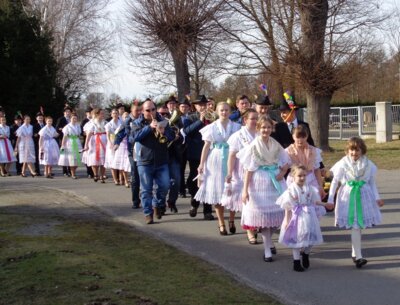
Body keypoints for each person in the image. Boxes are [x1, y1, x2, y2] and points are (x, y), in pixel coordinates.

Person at [238, 116, 289, 262]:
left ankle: (269, 240)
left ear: (271, 129)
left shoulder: (275, 144)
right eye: (263, 128)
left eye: (268, 127)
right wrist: (245, 190)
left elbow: (285, 161)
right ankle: (267, 249)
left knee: (281, 213)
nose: (265, 130)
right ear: (258, 129)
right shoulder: (254, 146)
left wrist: (282, 172)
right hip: (259, 183)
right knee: (265, 218)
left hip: (275, 181)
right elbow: (249, 169)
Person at [327, 137, 384, 268]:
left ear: (362, 151)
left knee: (358, 224)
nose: (354, 153)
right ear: (347, 151)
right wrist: (330, 199)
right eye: (352, 150)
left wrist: (377, 198)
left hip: (363, 195)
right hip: (348, 196)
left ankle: (355, 253)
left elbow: (371, 183)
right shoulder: (343, 163)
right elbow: (335, 181)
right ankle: (358, 257)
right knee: (355, 225)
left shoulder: (368, 164)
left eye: (357, 150)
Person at [194, 102, 241, 235]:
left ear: (230, 112)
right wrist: (201, 164)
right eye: (221, 110)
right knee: (218, 191)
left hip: (233, 159)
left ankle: (231, 220)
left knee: (233, 190)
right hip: (215, 160)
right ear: (216, 111)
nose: (224, 112)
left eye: (226, 110)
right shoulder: (212, 127)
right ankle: (221, 223)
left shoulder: (237, 127)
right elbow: (206, 146)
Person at [277, 165, 332, 272]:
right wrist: (287, 221)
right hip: (296, 217)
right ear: (293, 176)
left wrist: (324, 204)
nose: (302, 178)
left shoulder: (310, 188)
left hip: (309, 216)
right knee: (297, 239)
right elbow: (288, 207)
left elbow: (314, 201)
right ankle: (296, 262)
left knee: (311, 238)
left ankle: (306, 253)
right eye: (299, 176)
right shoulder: (290, 190)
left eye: (304, 176)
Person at [129, 99, 174, 224]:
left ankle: (158, 204)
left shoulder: (164, 121)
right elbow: (134, 138)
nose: (151, 112)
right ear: (143, 111)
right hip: (144, 161)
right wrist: (149, 128)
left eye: (153, 109)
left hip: (161, 160)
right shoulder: (137, 123)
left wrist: (164, 131)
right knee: (146, 189)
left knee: (165, 186)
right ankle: (148, 213)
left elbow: (171, 137)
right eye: (148, 110)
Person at [221, 109, 258, 239]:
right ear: (245, 120)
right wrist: (229, 173)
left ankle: (254, 225)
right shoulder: (238, 136)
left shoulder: (260, 134)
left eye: (256, 118)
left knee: (255, 201)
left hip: (258, 173)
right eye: (252, 118)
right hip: (242, 171)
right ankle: (250, 230)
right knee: (246, 201)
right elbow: (231, 156)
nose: (255, 121)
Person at [182, 95, 215, 220]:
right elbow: (186, 132)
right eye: (200, 105)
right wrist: (200, 121)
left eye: (204, 104)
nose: (203, 107)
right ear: (195, 106)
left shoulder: (212, 117)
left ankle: (207, 210)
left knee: (208, 181)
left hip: (210, 154)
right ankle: (195, 203)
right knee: (194, 181)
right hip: (195, 154)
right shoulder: (190, 118)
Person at [286, 125, 326, 217]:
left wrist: (320, 186)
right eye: (298, 137)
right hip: (294, 180)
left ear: (307, 136)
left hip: (310, 179)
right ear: (293, 137)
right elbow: (284, 168)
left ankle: (311, 226)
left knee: (312, 205)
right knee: (296, 206)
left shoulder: (313, 151)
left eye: (303, 137)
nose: (300, 140)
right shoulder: (288, 151)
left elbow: (316, 169)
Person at [114, 101, 142, 209]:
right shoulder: (127, 121)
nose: (139, 112)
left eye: (140, 110)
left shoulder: (143, 119)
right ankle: (136, 201)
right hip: (133, 151)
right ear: (131, 111)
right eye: (136, 111)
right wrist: (117, 143)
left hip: (145, 151)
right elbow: (120, 133)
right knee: (135, 175)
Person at [83, 108, 107, 183]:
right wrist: (86, 145)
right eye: (101, 113)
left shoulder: (105, 122)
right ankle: (95, 174)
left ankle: (102, 175)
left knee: (103, 159)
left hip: (104, 141)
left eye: (103, 114)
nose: (103, 115)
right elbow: (89, 134)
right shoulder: (92, 123)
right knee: (94, 158)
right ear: (97, 114)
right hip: (94, 141)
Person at [58, 112, 82, 179]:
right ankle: (73, 174)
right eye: (73, 118)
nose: (74, 119)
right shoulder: (67, 127)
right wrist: (63, 145)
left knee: (78, 158)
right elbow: (65, 137)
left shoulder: (78, 126)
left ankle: (73, 171)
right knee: (71, 159)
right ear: (70, 119)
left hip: (77, 142)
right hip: (70, 143)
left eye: (75, 118)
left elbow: (79, 134)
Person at [111, 112, 131, 188]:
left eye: (127, 117)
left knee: (128, 164)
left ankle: (129, 179)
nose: (126, 118)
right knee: (123, 165)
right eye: (125, 117)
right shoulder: (121, 126)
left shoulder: (131, 125)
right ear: (122, 118)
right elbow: (116, 135)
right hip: (122, 146)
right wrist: (116, 144)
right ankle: (125, 180)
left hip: (129, 146)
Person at [104, 108, 121, 185]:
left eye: (116, 113)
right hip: (111, 141)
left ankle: (121, 179)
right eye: (113, 113)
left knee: (119, 160)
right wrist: (110, 143)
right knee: (112, 160)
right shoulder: (108, 124)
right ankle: (115, 179)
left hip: (120, 142)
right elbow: (107, 135)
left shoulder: (121, 123)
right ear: (111, 115)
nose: (115, 115)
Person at [178, 98, 191, 198]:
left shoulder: (191, 117)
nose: (184, 108)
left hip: (191, 145)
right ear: (179, 107)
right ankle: (181, 189)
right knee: (181, 169)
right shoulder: (176, 118)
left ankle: (190, 185)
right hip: (180, 146)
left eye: (186, 107)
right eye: (182, 106)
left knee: (193, 169)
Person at [56, 106, 72, 176]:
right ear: (64, 113)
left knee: (70, 155)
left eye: (69, 112)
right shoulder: (61, 119)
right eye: (66, 112)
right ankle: (64, 171)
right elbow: (57, 128)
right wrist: (63, 129)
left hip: (71, 140)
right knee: (63, 155)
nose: (68, 113)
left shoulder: (71, 119)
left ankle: (70, 170)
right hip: (62, 139)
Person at [81, 107, 94, 178]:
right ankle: (89, 172)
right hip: (87, 140)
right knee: (88, 157)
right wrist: (87, 133)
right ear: (86, 113)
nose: (90, 114)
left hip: (94, 141)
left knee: (93, 157)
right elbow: (82, 132)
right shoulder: (84, 121)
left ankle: (94, 172)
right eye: (89, 113)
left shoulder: (94, 120)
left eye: (91, 113)